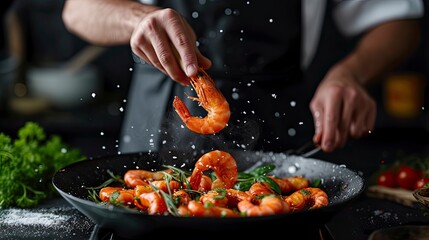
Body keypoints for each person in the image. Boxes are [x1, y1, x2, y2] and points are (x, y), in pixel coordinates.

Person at [62, 0, 423, 155]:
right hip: (155, 124)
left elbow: (398, 20)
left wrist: (350, 74)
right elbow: (77, 9)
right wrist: (137, 19)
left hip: (284, 133)